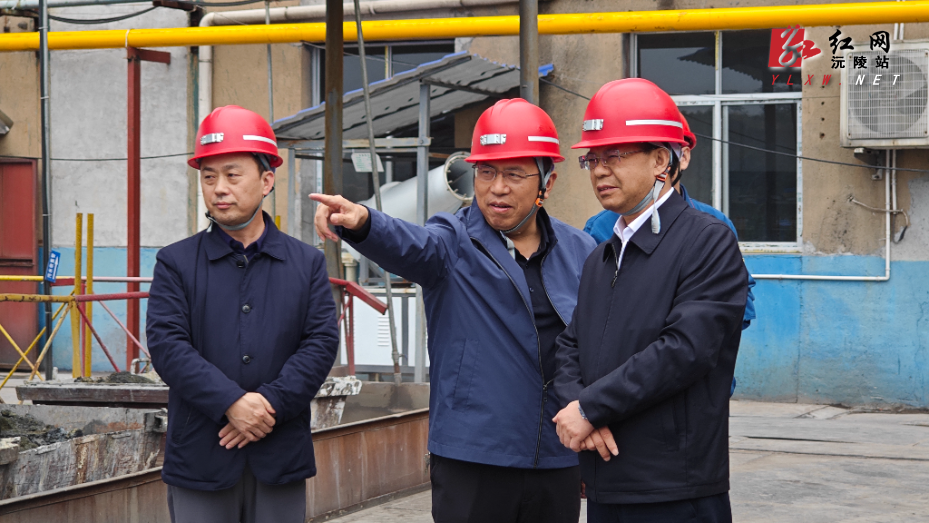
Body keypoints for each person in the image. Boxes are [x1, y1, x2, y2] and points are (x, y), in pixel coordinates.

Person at [312, 98, 596, 523]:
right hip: (473, 456)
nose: (497, 188)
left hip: (557, 455)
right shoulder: (451, 240)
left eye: (514, 174)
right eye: (486, 172)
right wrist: (364, 221)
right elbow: (411, 245)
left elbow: (592, 349)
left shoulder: (580, 250)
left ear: (547, 182)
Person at [552, 79, 748, 522]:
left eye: (614, 156)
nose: (599, 171)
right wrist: (578, 409)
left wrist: (590, 408)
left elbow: (685, 350)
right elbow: (570, 346)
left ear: (661, 160)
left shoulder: (707, 241)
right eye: (592, 159)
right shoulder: (601, 257)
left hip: (674, 489)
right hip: (605, 479)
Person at [147, 105, 340, 523]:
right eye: (208, 177)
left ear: (266, 180)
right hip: (202, 454)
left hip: (278, 453)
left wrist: (268, 404)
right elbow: (167, 346)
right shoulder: (176, 263)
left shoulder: (305, 263)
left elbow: (320, 343)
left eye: (232, 175)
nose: (219, 188)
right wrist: (231, 402)